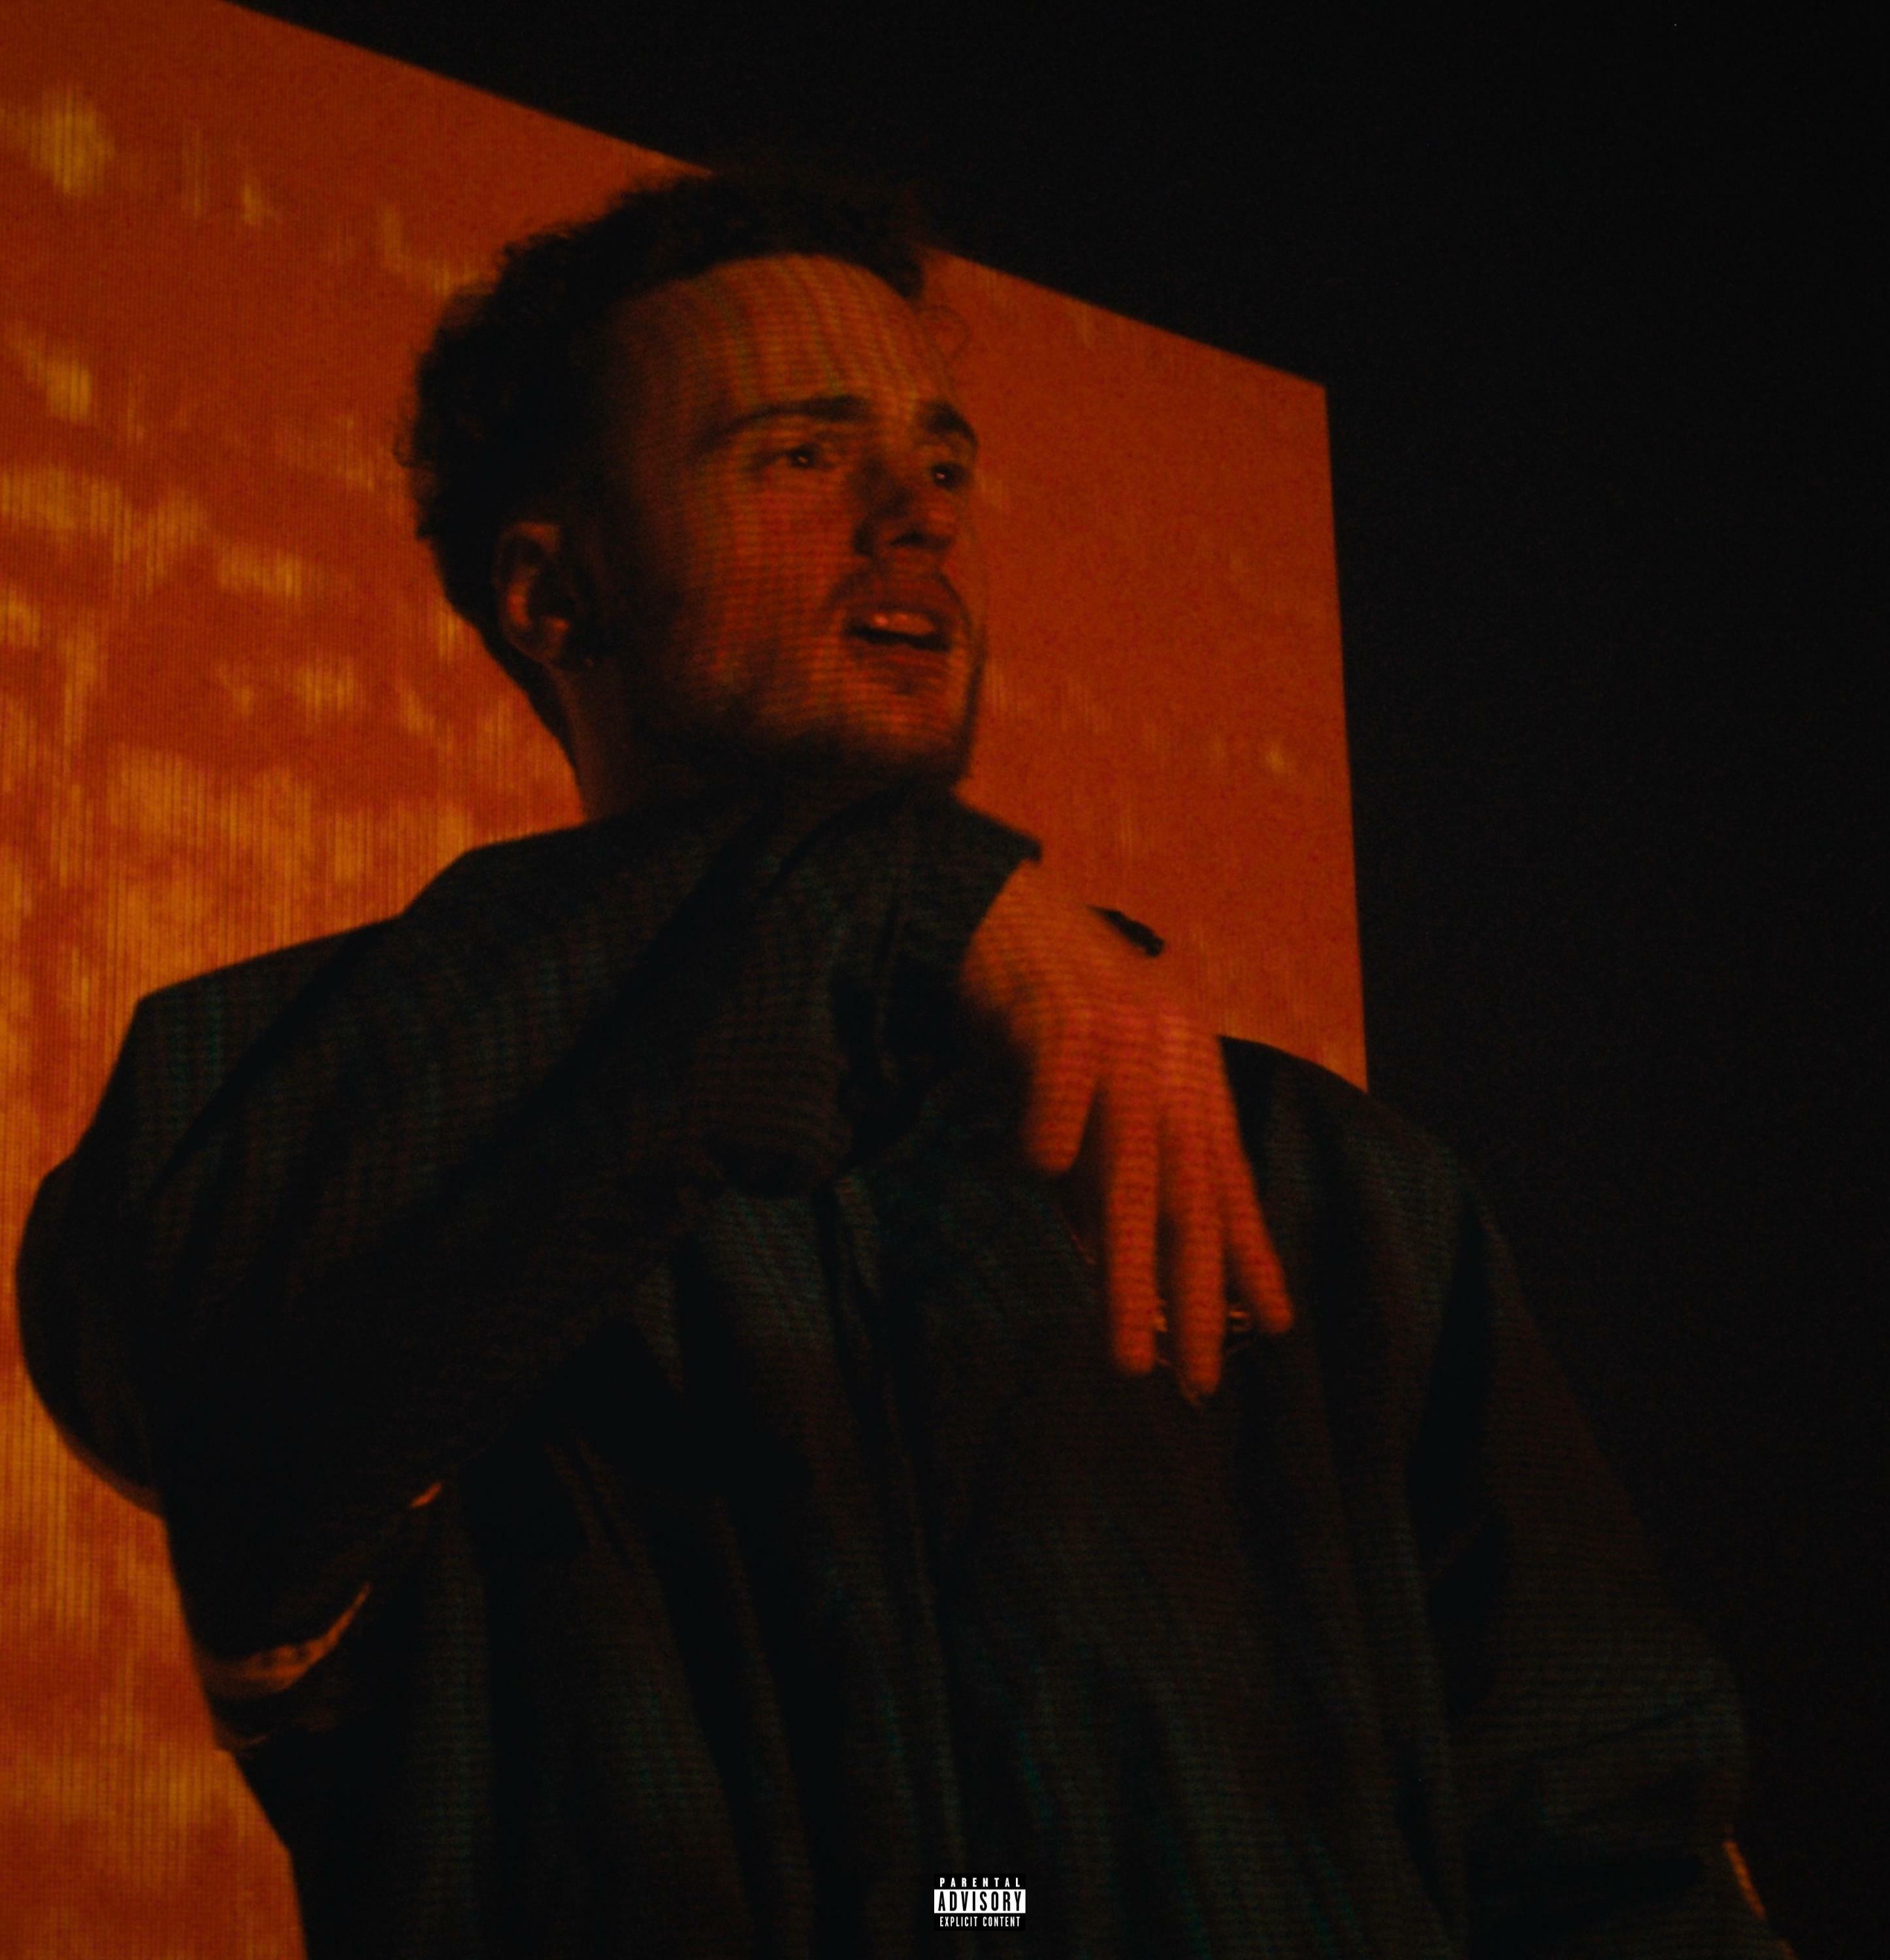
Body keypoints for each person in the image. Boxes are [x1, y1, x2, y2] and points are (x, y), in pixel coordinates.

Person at [17, 170, 1788, 1957]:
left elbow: (1611, 1842)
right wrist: (908, 895)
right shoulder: (314, 1106)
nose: (916, 516)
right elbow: (192, 1359)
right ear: (555, 592)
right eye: (798, 455)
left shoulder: (1327, 1184)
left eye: (942, 465)